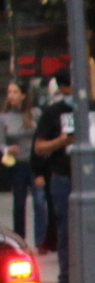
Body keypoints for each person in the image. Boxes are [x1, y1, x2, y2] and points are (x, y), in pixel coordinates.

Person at [31, 80, 73, 254]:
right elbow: (39, 146)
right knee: (55, 211)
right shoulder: (52, 112)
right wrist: (38, 171)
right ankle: (47, 241)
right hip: (56, 169)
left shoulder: (92, 108)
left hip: (82, 172)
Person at [1, 82, 31, 240]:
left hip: (34, 162)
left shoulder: (34, 114)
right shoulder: (3, 117)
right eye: (9, 92)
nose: (11, 95)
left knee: (41, 202)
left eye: (15, 92)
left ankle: (43, 240)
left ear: (23, 95)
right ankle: (20, 236)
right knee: (19, 202)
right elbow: (1, 142)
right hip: (17, 163)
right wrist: (6, 149)